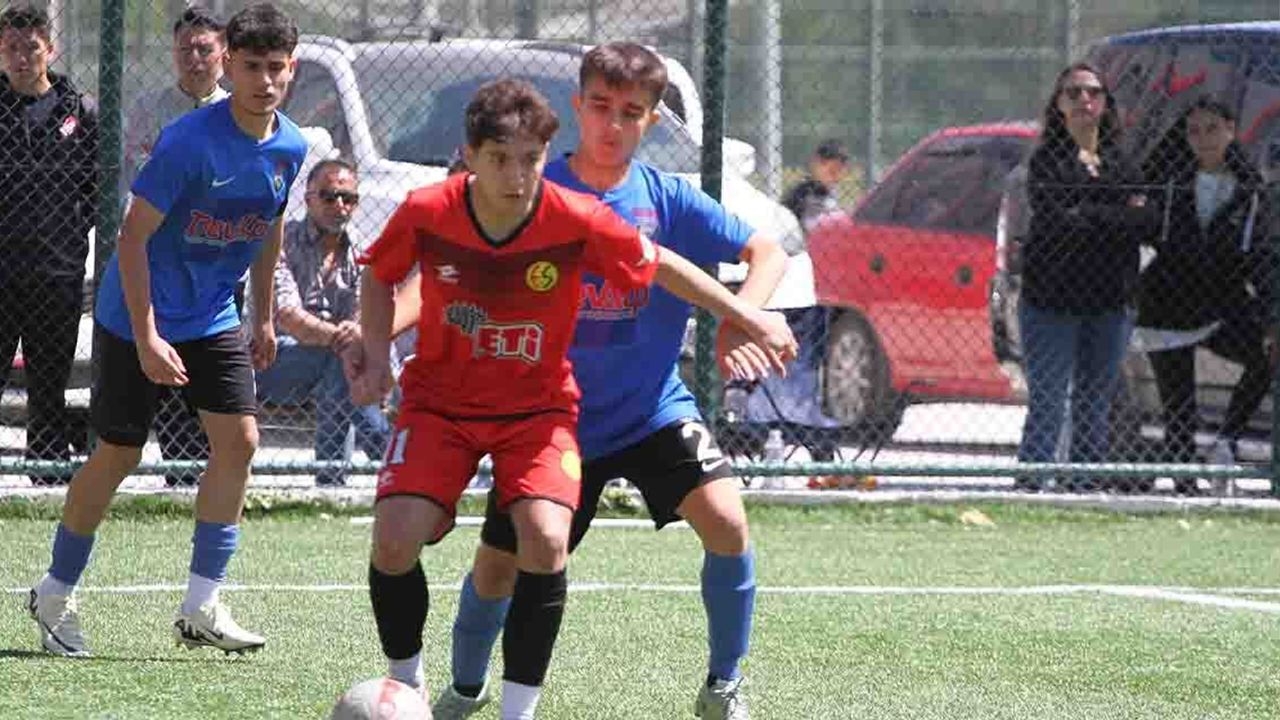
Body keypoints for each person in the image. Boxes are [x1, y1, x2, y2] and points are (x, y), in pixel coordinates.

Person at [347, 78, 796, 719]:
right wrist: (373, 349)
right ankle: (407, 686)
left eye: (529, 160)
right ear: (469, 157)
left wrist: (746, 317)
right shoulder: (429, 210)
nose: (516, 176)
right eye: (499, 159)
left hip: (541, 414)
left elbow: (663, 264)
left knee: (546, 539)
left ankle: (523, 711)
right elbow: (383, 274)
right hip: (440, 406)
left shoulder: (575, 216)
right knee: (396, 542)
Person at [26, 3, 305, 657]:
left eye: (276, 67)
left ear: (292, 70)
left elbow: (269, 230)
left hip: (213, 315)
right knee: (118, 455)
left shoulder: (291, 146)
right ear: (228, 66)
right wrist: (148, 336)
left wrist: (263, 316)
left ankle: (201, 606)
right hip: (136, 314)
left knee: (239, 443)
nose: (265, 80)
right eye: (252, 66)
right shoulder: (188, 142)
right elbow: (131, 239)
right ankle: (53, 592)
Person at [1016, 63, 1158, 493]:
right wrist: (1116, 214)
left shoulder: (1122, 162)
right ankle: (1033, 485)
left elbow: (1146, 222)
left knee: (1094, 403)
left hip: (1109, 302)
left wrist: (1088, 212)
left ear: (1105, 103)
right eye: (1073, 93)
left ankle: (1082, 486)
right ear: (1058, 105)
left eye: (1093, 92)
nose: (1084, 100)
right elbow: (1058, 221)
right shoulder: (1047, 161)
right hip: (1051, 302)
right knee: (1048, 402)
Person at [1136, 97, 1276, 494]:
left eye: (1213, 128)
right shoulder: (1172, 183)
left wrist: (1270, 316)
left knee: (1265, 359)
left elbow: (1259, 256)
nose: (1204, 138)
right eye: (1194, 131)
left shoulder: (1249, 190)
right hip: (1168, 303)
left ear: (1231, 130)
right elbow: (1148, 229)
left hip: (1221, 303)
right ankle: (1184, 484)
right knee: (1178, 405)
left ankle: (1226, 442)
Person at [120, 4, 228, 488]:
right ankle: (178, 472)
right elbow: (136, 177)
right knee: (166, 362)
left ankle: (211, 471)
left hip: (216, 261)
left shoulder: (237, 113)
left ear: (223, 53)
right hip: (162, 258)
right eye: (185, 49)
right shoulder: (151, 109)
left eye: (204, 49)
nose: (195, 59)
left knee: (211, 367)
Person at [0, 4, 98, 485]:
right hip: (2, 270)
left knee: (49, 379)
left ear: (50, 50)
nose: (22, 58)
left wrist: (72, 234)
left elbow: (95, 190)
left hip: (56, 272)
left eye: (31, 48)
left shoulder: (78, 110)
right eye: (12, 48)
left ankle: (46, 470)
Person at [254, 158, 390, 486]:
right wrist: (344, 340)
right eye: (328, 197)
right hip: (271, 361)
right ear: (308, 199)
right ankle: (388, 460)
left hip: (337, 365)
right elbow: (287, 315)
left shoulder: (361, 251)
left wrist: (352, 336)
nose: (339, 206)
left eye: (348, 198)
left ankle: (333, 479)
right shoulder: (282, 242)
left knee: (338, 365)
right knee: (340, 358)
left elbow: (365, 313)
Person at [780, 138, 849, 244]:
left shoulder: (831, 192)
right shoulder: (803, 194)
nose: (835, 176)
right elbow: (811, 227)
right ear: (815, 164)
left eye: (839, 170)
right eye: (831, 170)